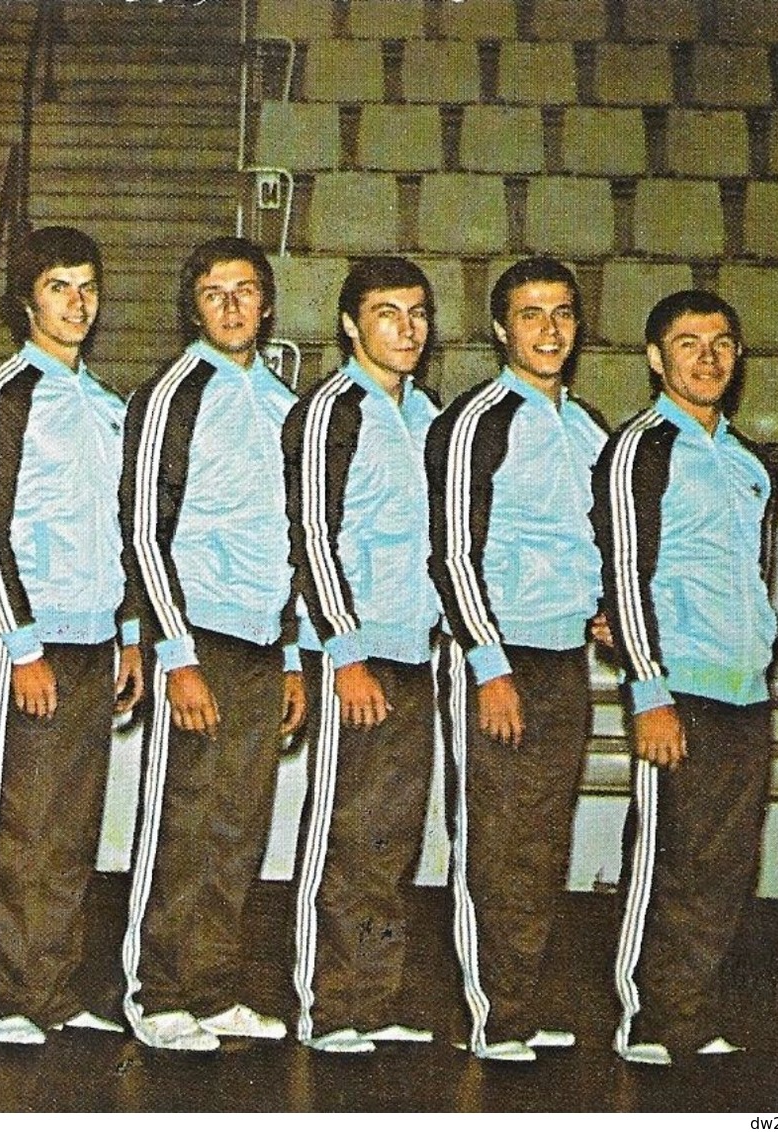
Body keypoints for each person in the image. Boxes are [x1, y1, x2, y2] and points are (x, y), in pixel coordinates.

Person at [118, 236, 305, 1052]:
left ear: (266, 305)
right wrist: (175, 650)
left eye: (244, 291)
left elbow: (297, 538)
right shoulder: (171, 392)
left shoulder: (285, 401)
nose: (231, 306)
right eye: (213, 293)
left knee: (237, 826)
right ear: (191, 308)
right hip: (197, 640)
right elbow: (144, 532)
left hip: (265, 644)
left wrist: (293, 654)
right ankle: (156, 992)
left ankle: (212, 988)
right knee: (183, 821)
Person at [0, 226, 143, 1045]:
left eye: (87, 287)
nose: (76, 303)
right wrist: (20, 643)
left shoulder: (108, 405)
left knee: (71, 827)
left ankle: (53, 988)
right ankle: (5, 996)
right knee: (23, 824)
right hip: (26, 644)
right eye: (60, 286)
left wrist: (129, 635)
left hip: (96, 640)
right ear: (28, 299)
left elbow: (127, 534)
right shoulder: (4, 394)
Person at [426, 258, 608, 1062]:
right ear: (501, 329)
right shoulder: (477, 419)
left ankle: (522, 1002)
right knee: (494, 840)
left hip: (563, 656)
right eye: (530, 315)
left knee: (542, 838)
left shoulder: (589, 427)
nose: (549, 330)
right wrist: (487, 663)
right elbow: (451, 555)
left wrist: (602, 605)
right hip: (493, 659)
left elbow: (598, 540)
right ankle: (488, 1014)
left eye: (562, 314)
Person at [592, 291, 778, 1067]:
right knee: (664, 856)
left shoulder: (745, 461)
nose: (706, 357)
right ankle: (643, 1015)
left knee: (726, 863)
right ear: (654, 358)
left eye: (721, 343)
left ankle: (690, 1012)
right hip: (677, 690)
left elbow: (757, 577)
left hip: (745, 691)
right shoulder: (640, 447)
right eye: (687, 342)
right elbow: (623, 577)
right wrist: (647, 689)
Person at [285, 256, 442, 1055]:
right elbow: (310, 535)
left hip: (415, 650)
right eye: (387, 313)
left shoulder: (426, 414)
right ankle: (327, 1006)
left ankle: (371, 999)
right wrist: (342, 653)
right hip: (354, 654)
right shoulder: (329, 410)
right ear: (350, 324)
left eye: (416, 313)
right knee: (344, 833)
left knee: (393, 836)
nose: (406, 328)